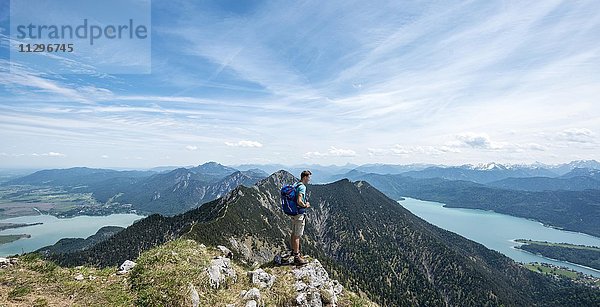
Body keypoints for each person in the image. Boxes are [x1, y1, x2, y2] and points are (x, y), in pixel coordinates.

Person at [291, 170, 311, 265]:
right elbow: (299, 200)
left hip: (294, 213)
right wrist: (305, 205)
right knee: (297, 235)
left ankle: (293, 251)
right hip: (299, 214)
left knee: (294, 233)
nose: (309, 180)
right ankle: (297, 257)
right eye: (309, 177)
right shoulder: (302, 187)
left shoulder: (297, 184)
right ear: (305, 177)